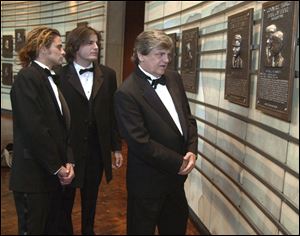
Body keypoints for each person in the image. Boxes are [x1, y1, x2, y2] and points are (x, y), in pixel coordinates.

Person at [114, 30, 198, 235]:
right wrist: (179, 162)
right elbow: (140, 142)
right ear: (141, 55)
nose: (166, 60)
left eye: (168, 54)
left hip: (176, 181)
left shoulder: (174, 78)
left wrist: (192, 150)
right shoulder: (126, 93)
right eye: (160, 54)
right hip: (147, 184)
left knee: (176, 228)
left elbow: (188, 119)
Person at [58, 26, 123, 235]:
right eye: (89, 43)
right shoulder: (58, 75)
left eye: (97, 43)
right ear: (75, 47)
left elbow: (113, 114)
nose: (96, 47)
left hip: (96, 148)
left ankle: (88, 230)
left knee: (91, 197)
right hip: (68, 149)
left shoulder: (109, 75)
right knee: (64, 199)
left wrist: (116, 147)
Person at [9, 26, 75, 235]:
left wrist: (69, 161)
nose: (63, 51)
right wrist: (58, 167)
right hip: (33, 178)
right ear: (42, 48)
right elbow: (34, 130)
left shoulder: (50, 78)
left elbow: (62, 128)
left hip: (51, 176)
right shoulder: (27, 78)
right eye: (59, 46)